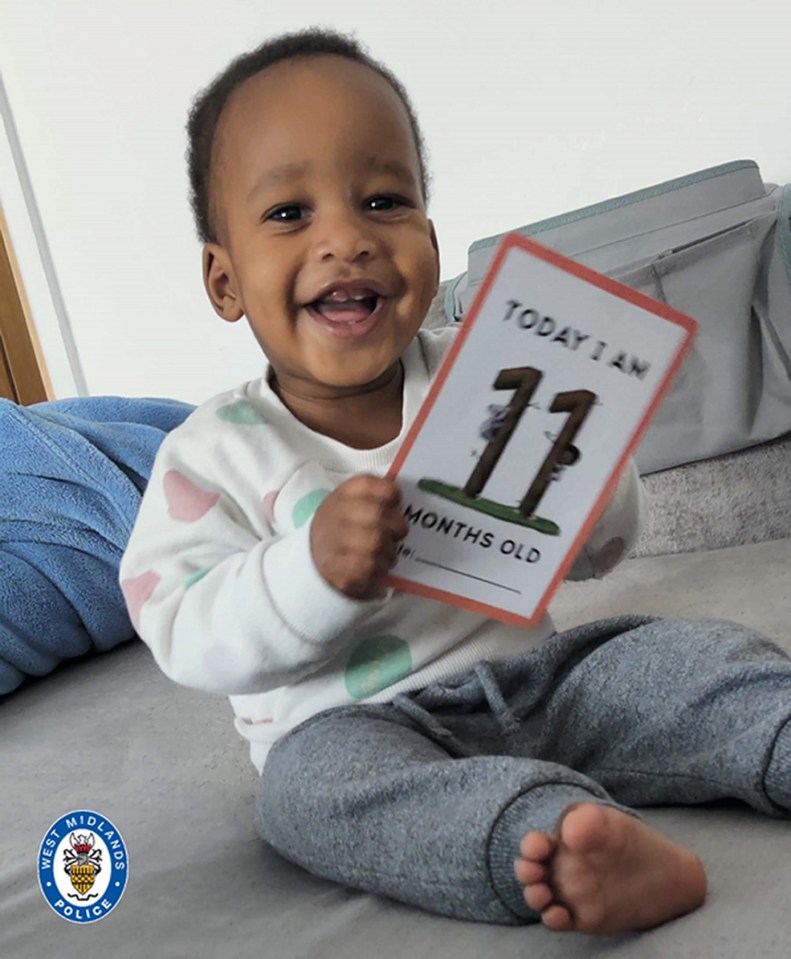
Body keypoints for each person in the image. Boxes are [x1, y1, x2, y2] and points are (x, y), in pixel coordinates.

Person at [120, 28, 791, 936]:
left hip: (536, 678)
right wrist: (306, 572)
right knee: (306, 798)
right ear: (224, 279)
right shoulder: (211, 454)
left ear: (430, 242)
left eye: (382, 200)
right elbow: (180, 627)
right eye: (289, 213)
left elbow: (598, 551)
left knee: (685, 658)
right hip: (354, 727)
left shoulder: (486, 370)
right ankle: (556, 838)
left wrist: (584, 478)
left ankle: (775, 733)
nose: (346, 238)